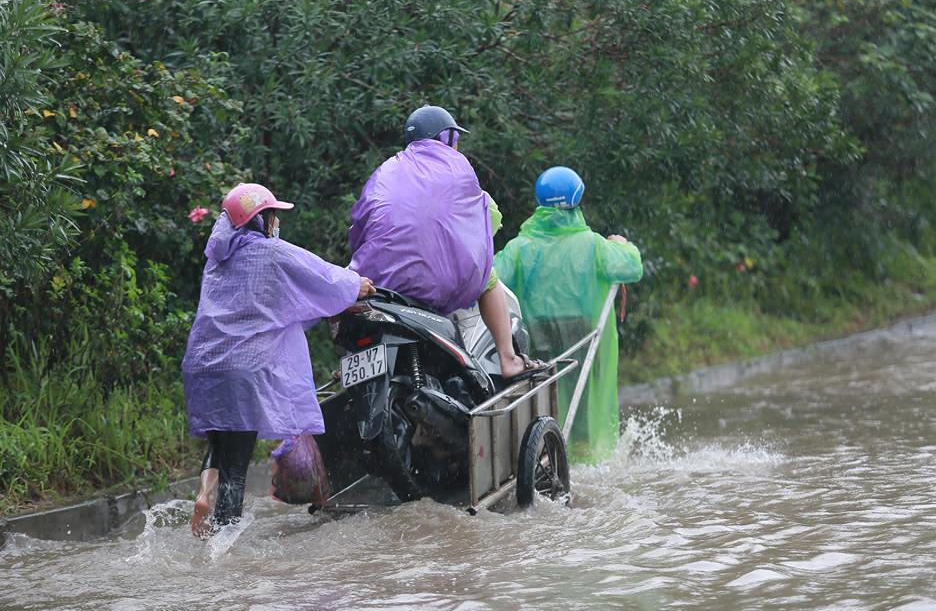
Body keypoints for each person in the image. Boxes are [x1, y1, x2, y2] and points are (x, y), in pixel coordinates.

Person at [182, 182, 375, 537]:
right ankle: (223, 551)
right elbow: (322, 277)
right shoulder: (272, 254)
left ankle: (204, 495)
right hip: (241, 372)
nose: (276, 222)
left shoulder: (217, 260)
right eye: (272, 215)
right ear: (259, 219)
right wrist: (356, 285)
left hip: (203, 367)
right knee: (237, 469)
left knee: (220, 445)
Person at [348, 105, 545, 381]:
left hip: (380, 282)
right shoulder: (457, 166)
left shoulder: (385, 171)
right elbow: (478, 217)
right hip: (435, 279)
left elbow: (358, 228)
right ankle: (508, 359)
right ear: (447, 138)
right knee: (488, 279)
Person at [493, 166, 644, 463]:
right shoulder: (594, 245)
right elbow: (631, 267)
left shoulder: (521, 246)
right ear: (577, 202)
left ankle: (540, 456)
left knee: (541, 398)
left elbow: (490, 278)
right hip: (583, 333)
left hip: (537, 333)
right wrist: (623, 246)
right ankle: (582, 460)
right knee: (582, 402)